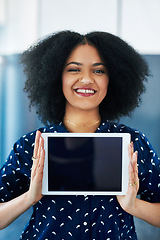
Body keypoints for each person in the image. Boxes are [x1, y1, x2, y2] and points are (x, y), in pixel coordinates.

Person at [0, 30, 160, 239]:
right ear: (55, 76)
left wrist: (133, 205)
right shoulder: (33, 145)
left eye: (99, 71)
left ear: (113, 79)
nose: (86, 79)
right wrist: (30, 197)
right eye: (74, 69)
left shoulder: (132, 143)